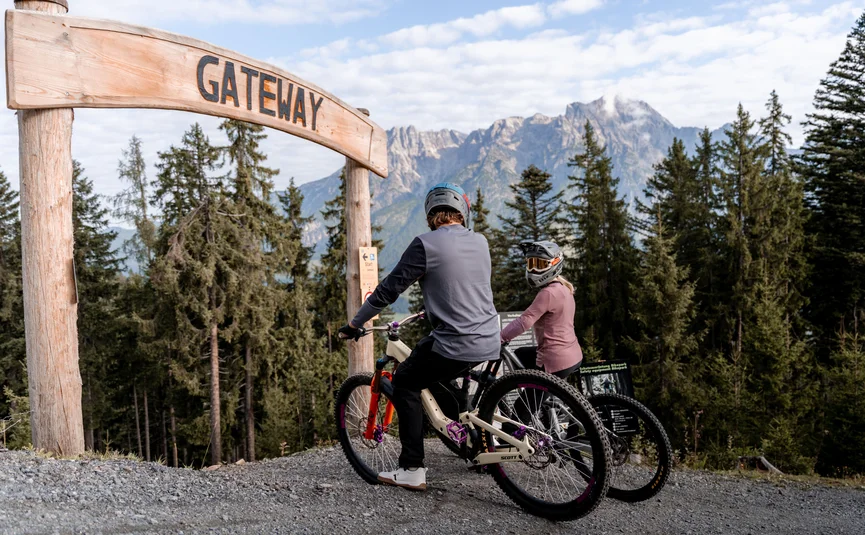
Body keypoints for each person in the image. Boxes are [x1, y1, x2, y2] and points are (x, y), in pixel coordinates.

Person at [339, 183, 500, 491]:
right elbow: (465, 284)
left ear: (431, 215)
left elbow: (388, 289)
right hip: (490, 338)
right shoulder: (480, 241)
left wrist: (355, 323)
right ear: (462, 213)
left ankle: (412, 467)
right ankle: (475, 443)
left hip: (456, 342)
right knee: (434, 373)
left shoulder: (425, 244)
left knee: (405, 381)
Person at [500, 241, 583, 379]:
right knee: (520, 354)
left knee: (525, 401)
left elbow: (524, 322)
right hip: (572, 353)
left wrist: (500, 337)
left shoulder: (548, 293)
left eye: (540, 265)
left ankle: (533, 395)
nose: (534, 270)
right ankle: (540, 394)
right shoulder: (565, 289)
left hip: (555, 360)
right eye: (531, 264)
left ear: (555, 263)